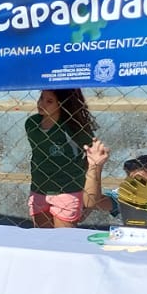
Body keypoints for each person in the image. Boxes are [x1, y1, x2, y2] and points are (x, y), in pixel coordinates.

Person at [25, 88, 95, 227]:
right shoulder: (32, 124)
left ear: (62, 104)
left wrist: (81, 176)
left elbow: (93, 153)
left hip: (67, 191)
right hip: (39, 189)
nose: (41, 104)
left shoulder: (73, 128)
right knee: (41, 240)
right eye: (41, 99)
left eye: (49, 101)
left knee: (62, 241)